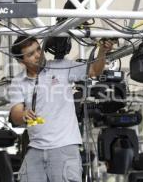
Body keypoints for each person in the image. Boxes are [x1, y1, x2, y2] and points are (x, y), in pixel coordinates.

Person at [8, 36, 113, 182]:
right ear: (21, 61)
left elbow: (94, 70)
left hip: (64, 147)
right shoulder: (18, 81)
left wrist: (102, 51)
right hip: (35, 148)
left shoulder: (62, 66)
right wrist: (23, 115)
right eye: (30, 54)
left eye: (38, 49)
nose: (38, 55)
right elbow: (15, 114)